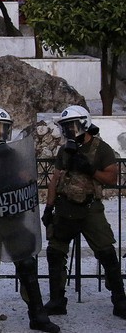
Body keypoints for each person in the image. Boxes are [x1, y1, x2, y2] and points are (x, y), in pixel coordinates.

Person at [0, 107, 59, 333]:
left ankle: (37, 315)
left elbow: (23, 180)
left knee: (27, 263)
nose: (1, 133)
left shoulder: (11, 153)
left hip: (10, 217)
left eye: (4, 128)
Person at [43, 105, 126, 319]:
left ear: (85, 124)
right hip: (65, 207)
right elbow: (55, 179)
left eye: (73, 126)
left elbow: (111, 178)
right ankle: (57, 300)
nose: (70, 131)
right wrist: (49, 208)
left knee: (106, 253)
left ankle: (120, 301)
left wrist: (90, 169)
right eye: (66, 127)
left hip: (90, 209)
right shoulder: (65, 150)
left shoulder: (101, 149)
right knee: (55, 252)